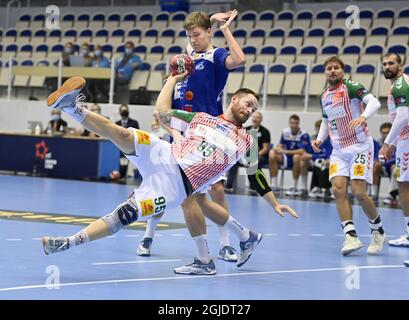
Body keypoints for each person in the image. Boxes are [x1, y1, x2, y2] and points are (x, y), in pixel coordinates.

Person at [41, 76, 298, 276]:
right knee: (120, 134)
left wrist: (274, 202)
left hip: (175, 186)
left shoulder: (247, 140)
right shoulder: (201, 118)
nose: (250, 109)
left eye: (254, 107)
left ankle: (67, 243)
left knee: (125, 215)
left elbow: (256, 175)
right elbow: (162, 111)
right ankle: (71, 107)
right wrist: (173, 79)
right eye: (248, 103)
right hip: (163, 153)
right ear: (234, 100)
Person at [139, 10, 248, 265]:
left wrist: (222, 27)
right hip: (179, 135)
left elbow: (239, 59)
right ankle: (148, 235)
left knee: (217, 190)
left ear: (208, 33)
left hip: (209, 136)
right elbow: (165, 111)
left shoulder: (215, 56)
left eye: (196, 35)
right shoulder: (183, 65)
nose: (192, 39)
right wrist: (174, 133)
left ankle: (225, 245)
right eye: (189, 36)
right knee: (163, 185)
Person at [311, 56, 386, 256]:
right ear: (325, 72)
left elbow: (375, 103)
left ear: (343, 71)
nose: (332, 70)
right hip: (339, 150)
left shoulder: (352, 87)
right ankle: (351, 237)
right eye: (329, 68)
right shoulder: (324, 96)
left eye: (336, 67)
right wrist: (319, 139)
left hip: (360, 146)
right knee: (337, 190)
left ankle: (377, 230)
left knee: (359, 192)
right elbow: (327, 121)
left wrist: (362, 116)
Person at [379, 52, 409, 248]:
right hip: (404, 140)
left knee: (404, 186)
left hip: (407, 139)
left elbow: (403, 117)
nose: (387, 66)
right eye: (385, 64)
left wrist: (388, 143)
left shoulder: (400, 85)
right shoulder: (402, 83)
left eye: (391, 63)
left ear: (401, 65)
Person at [225, 111, 271, 194]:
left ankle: (253, 187)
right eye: (254, 117)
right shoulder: (246, 129)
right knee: (233, 160)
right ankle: (228, 186)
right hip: (246, 155)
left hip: (260, 156)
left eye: (257, 117)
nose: (255, 119)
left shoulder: (265, 132)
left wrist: (254, 155)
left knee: (252, 161)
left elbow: (266, 149)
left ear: (261, 120)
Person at [268, 114, 312, 197]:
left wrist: (284, 151)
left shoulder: (304, 134)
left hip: (300, 159)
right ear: (289, 123)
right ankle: (274, 185)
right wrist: (277, 148)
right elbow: (281, 144)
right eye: (292, 123)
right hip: (286, 157)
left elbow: (301, 151)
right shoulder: (285, 132)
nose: (294, 125)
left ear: (299, 124)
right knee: (272, 153)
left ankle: (294, 186)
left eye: (296, 123)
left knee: (296, 157)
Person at [372, 122, 398, 204]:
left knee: (394, 168)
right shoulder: (378, 143)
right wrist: (376, 162)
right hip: (383, 168)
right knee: (374, 167)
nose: (385, 135)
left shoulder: (396, 142)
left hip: (394, 167)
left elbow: (397, 158)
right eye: (383, 133)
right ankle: (374, 195)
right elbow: (375, 156)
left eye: (388, 132)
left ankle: (391, 196)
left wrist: (384, 162)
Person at [308, 119, 333, 199]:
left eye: (320, 128)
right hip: (312, 160)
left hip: (325, 160)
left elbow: (328, 154)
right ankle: (315, 188)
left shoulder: (330, 139)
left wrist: (322, 158)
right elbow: (308, 152)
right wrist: (313, 157)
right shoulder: (312, 138)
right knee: (316, 162)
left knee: (322, 163)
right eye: (318, 128)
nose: (319, 130)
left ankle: (324, 188)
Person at [115, 104, 139, 180]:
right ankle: (121, 176)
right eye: (123, 111)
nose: (124, 112)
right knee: (122, 163)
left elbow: (137, 134)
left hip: (132, 147)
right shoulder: (117, 123)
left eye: (126, 110)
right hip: (120, 147)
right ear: (119, 112)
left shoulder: (134, 122)